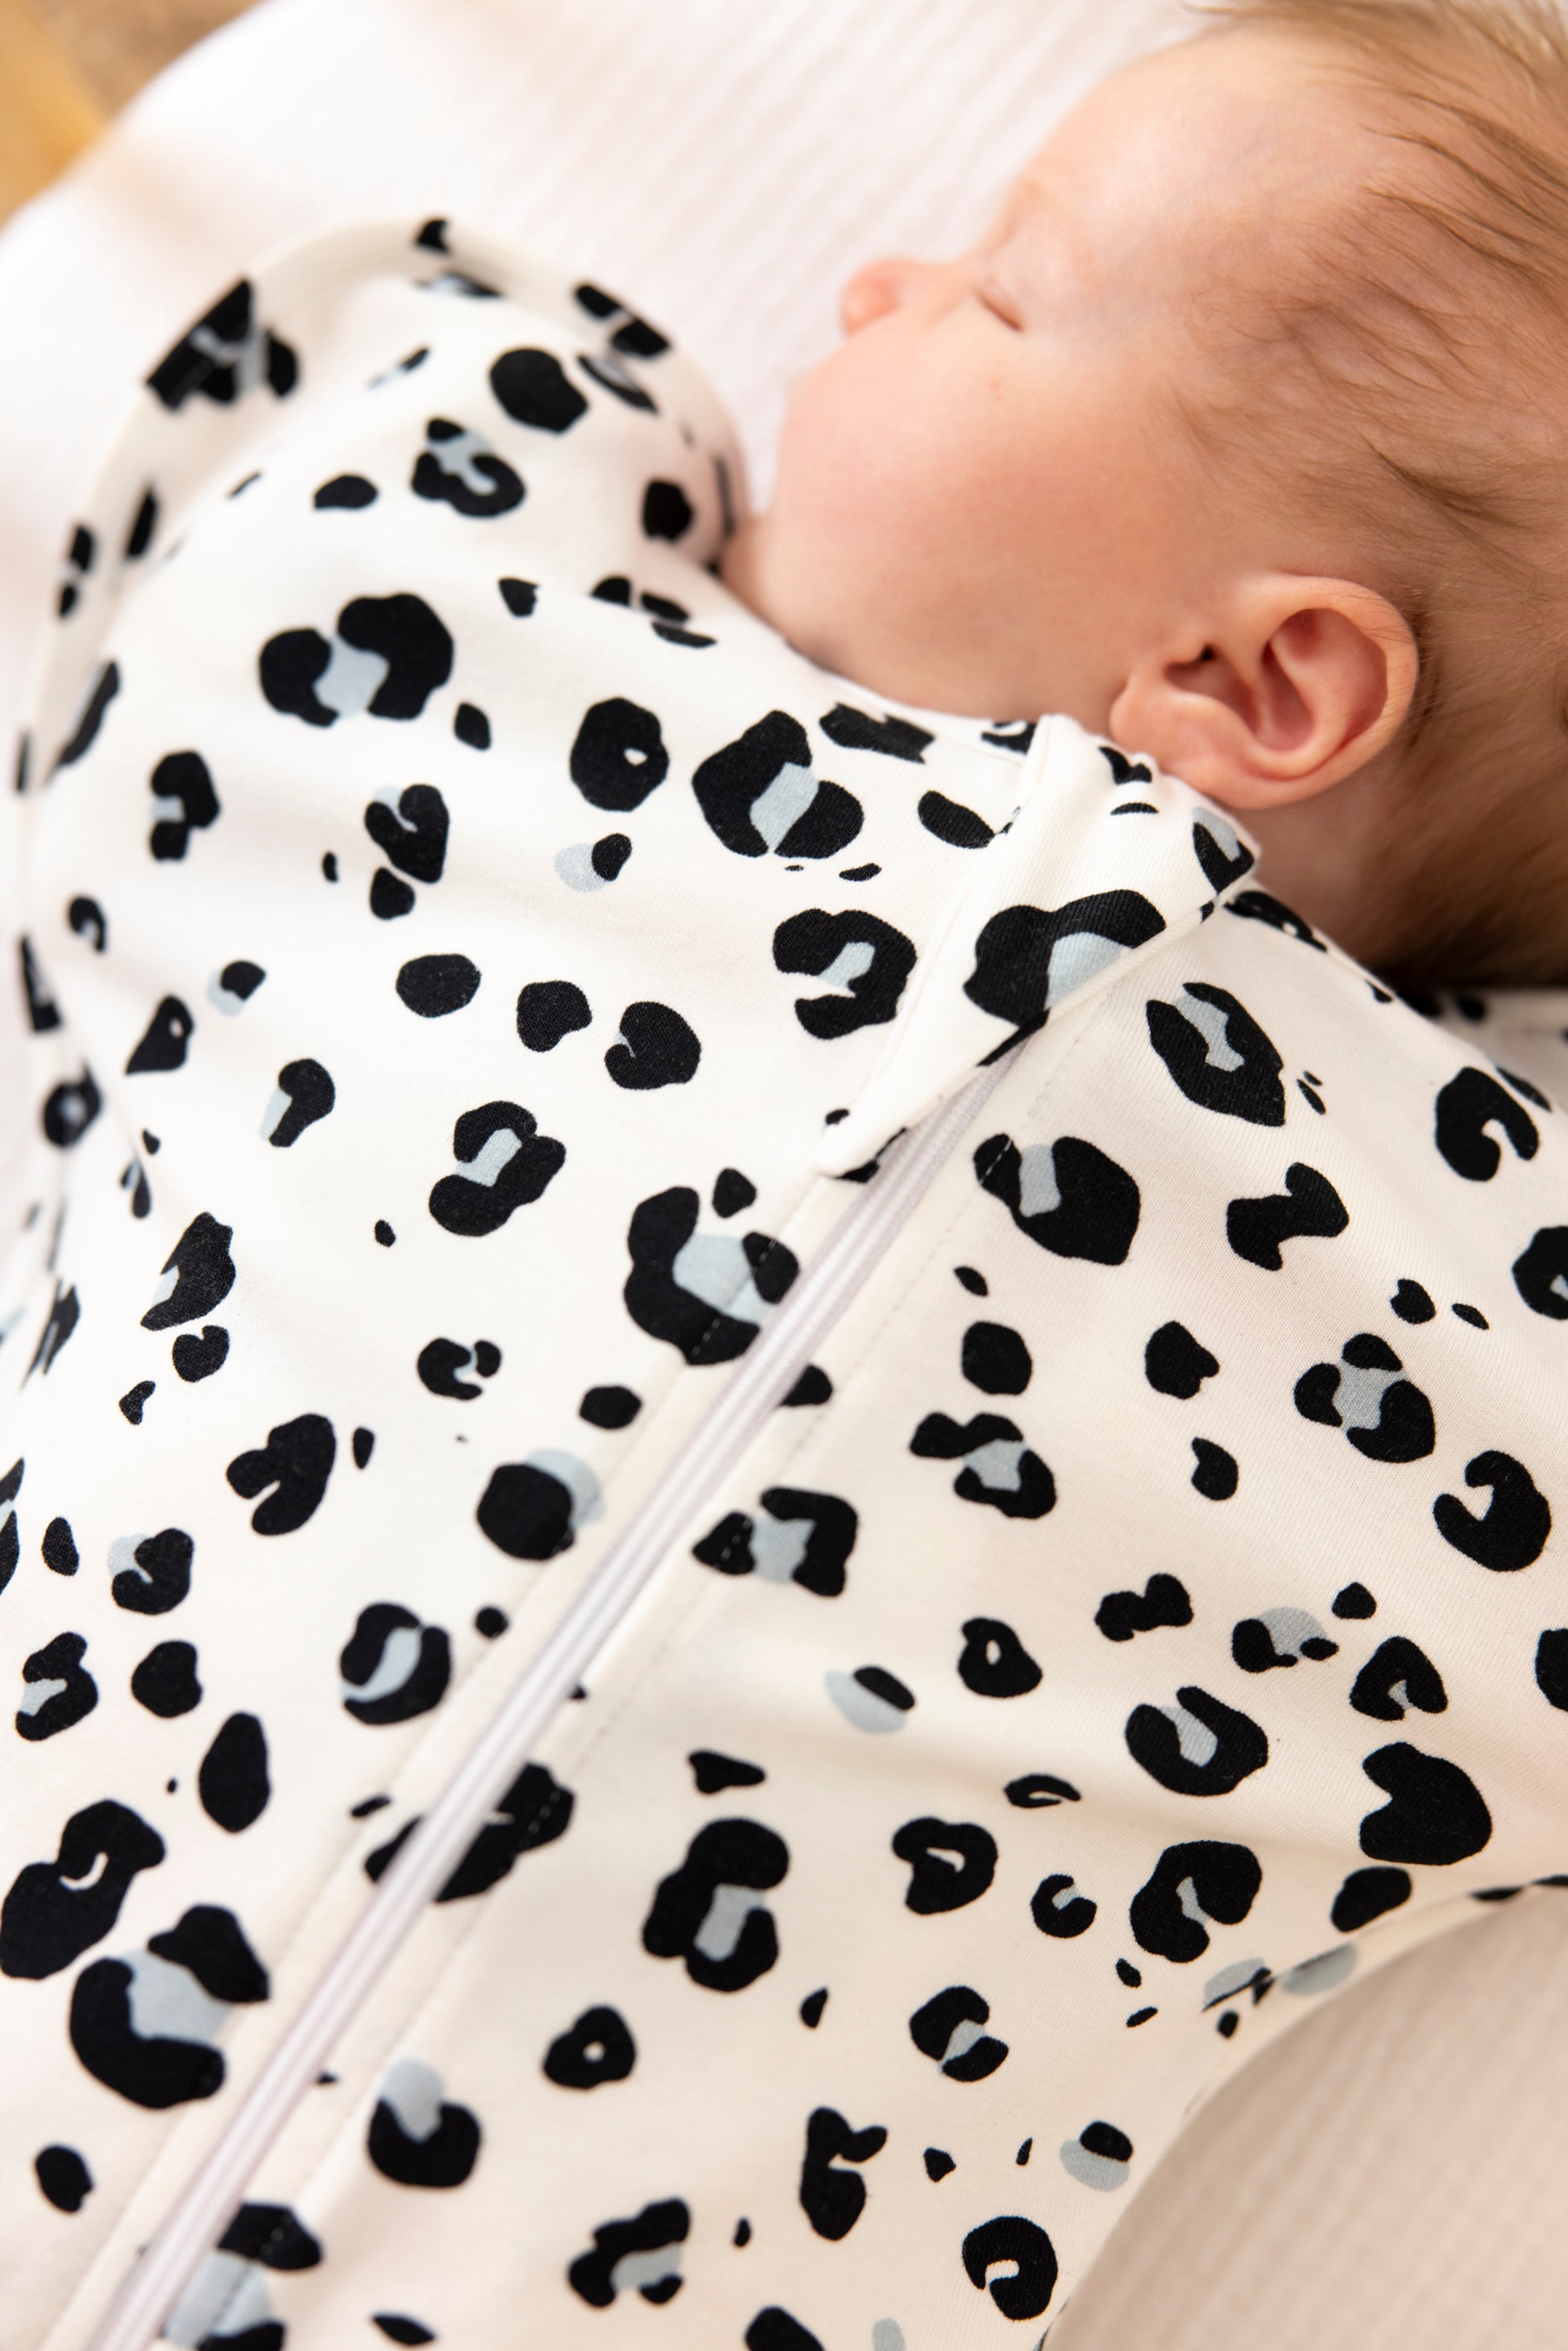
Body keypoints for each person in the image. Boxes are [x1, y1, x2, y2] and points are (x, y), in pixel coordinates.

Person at [2, 4, 1562, 2346]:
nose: (868, 285)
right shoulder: (519, 739)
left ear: (1261, 686)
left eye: (998, 291)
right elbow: (294, 499)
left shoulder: (1447, 1292)